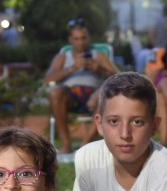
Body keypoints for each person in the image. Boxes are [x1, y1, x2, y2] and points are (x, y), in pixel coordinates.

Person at [45, 20, 119, 154]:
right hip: (70, 95)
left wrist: (101, 68)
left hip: (95, 95)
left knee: (106, 96)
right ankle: (66, 145)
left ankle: (84, 146)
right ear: (70, 40)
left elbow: (120, 77)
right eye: (77, 39)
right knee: (55, 92)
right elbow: (48, 79)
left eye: (84, 38)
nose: (81, 42)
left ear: (88, 37)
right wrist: (72, 68)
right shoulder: (63, 57)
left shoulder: (99, 55)